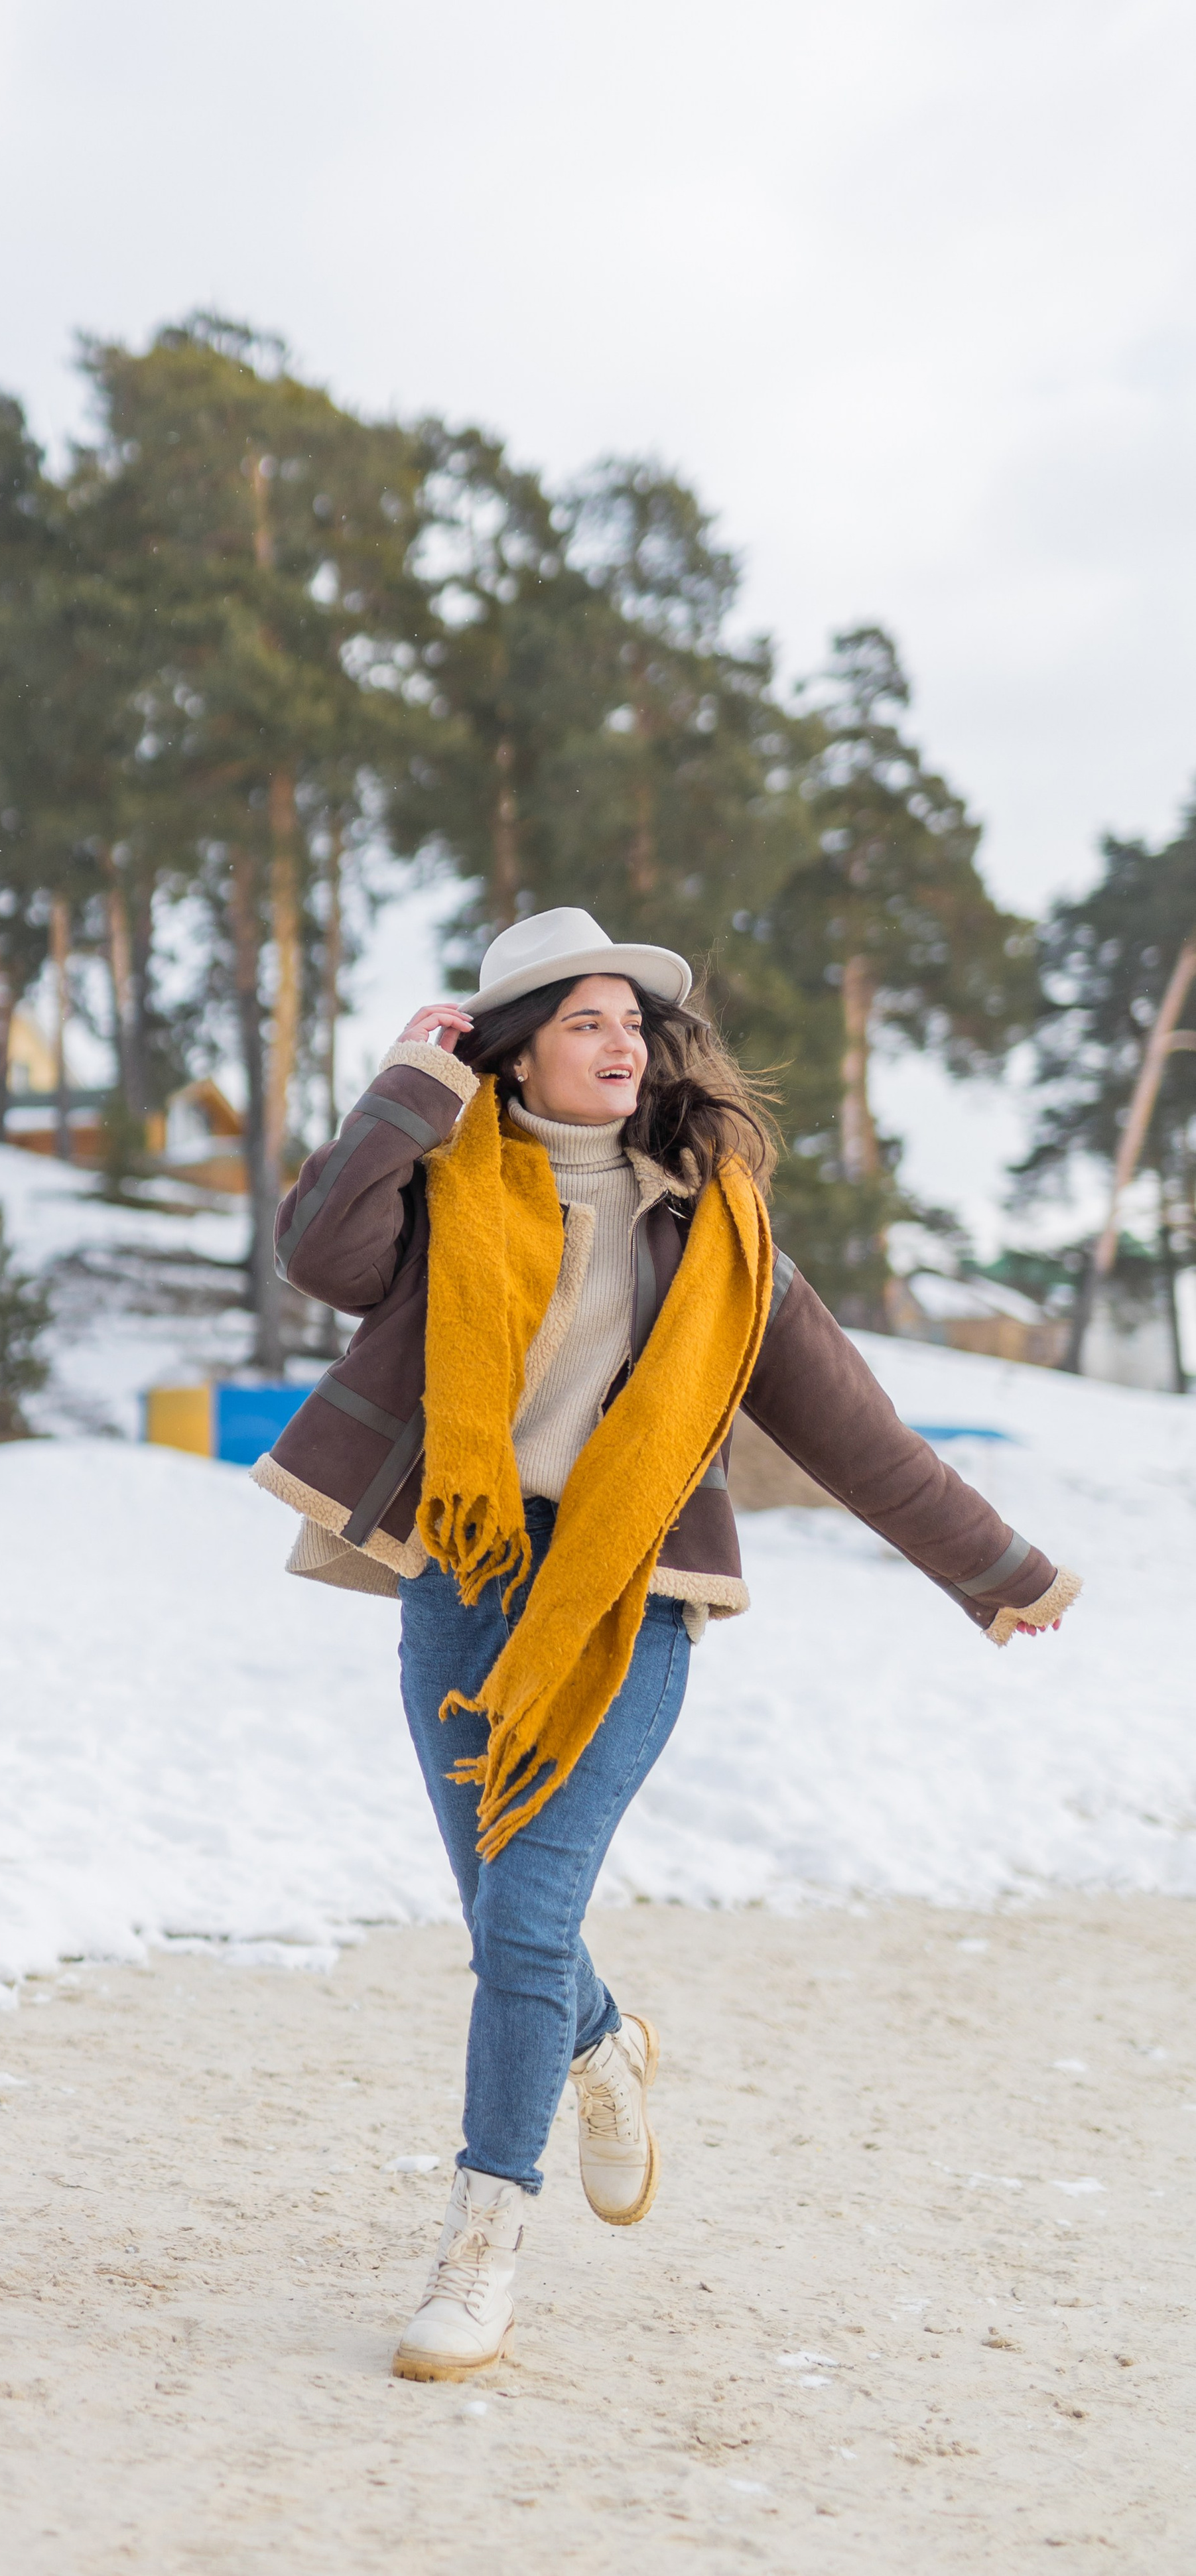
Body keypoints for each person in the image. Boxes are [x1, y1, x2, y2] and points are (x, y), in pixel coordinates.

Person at [250, 907, 1079, 2384]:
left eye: (632, 1019)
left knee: (517, 1919)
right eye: (581, 1019)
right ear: (510, 1050)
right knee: (510, 1914)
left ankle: (479, 2245)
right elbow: (318, 1251)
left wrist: (995, 1566)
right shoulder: (440, 1183)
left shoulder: (712, 1223)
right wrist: (402, 1090)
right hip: (467, 1584)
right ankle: (604, 2042)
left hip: (629, 1598)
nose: (621, 1039)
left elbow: (850, 1427)